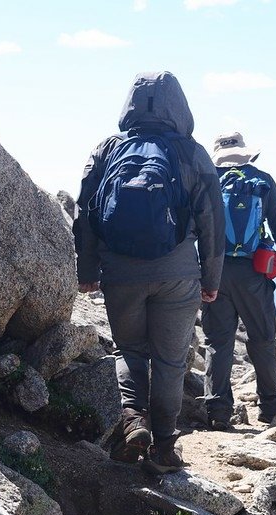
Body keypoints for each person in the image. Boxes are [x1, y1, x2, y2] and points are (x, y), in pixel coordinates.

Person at [73, 71, 225, 473]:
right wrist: (211, 278)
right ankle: (165, 449)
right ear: (180, 106)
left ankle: (132, 421)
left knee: (130, 351)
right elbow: (212, 220)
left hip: (120, 272)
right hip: (177, 273)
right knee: (171, 361)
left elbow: (84, 212)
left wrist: (86, 269)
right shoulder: (192, 153)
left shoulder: (107, 149)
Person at [202, 132, 276, 430]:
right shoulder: (263, 181)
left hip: (214, 271)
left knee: (218, 342)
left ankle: (218, 411)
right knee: (262, 340)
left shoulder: (207, 182)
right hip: (254, 274)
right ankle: (270, 407)